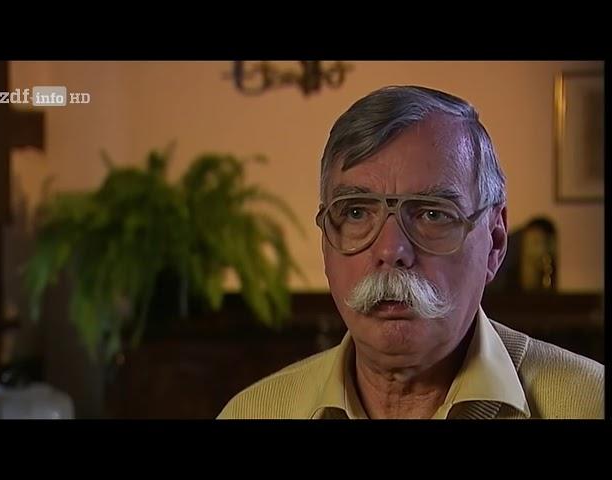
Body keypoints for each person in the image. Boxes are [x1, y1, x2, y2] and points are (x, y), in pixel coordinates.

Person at [217, 85, 604, 419]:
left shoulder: (590, 403)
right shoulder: (253, 411)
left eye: (432, 214)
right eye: (356, 212)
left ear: (495, 242)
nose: (391, 250)